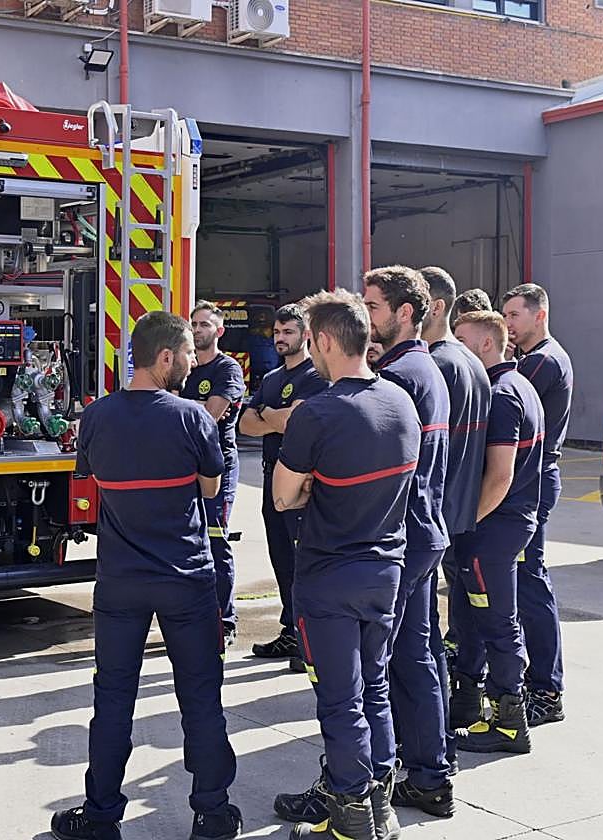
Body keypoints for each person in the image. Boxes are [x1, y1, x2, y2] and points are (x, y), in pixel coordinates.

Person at [51, 310, 241, 840]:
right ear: (164, 358)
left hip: (120, 581)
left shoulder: (97, 417)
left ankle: (101, 814)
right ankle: (212, 812)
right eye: (184, 354)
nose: (188, 363)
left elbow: (87, 480)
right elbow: (208, 490)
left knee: (112, 699)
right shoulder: (192, 418)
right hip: (187, 578)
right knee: (201, 696)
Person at [272, 290, 420, 840]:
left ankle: (352, 816)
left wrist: (313, 485)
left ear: (327, 342)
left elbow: (284, 495)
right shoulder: (401, 401)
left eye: (311, 339)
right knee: (375, 688)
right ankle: (380, 806)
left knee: (340, 701)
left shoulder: (317, 412)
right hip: (386, 569)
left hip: (329, 576)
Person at [362, 266, 453, 818]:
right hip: (424, 532)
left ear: (404, 313)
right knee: (415, 658)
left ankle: (366, 785)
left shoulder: (398, 376)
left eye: (372, 307)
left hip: (398, 539)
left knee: (375, 666)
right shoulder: (426, 368)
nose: (365, 318)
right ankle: (429, 774)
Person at [451, 311, 544, 754]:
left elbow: (501, 474)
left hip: (495, 527)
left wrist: (467, 523)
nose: (454, 349)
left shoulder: (504, 394)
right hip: (497, 526)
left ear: (487, 344)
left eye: (461, 340)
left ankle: (510, 721)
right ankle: (469, 700)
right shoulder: (517, 384)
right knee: (473, 617)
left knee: (498, 622)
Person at [419, 266, 491, 783]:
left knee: (423, 633)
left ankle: (433, 734)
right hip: (461, 511)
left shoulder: (437, 365)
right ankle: (462, 700)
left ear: (435, 307)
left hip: (434, 511)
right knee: (459, 614)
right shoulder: (472, 361)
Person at [241, 303, 327, 662]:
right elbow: (244, 424)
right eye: (277, 332)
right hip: (269, 479)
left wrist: (269, 417)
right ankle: (291, 630)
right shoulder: (272, 379)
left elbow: (298, 424)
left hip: (301, 487)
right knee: (281, 560)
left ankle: (311, 640)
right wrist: (278, 418)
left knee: (303, 562)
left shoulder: (316, 376)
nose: (280, 338)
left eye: (288, 332)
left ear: (305, 335)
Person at [501, 283, 571, 727]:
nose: (508, 323)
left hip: (534, 480)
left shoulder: (540, 362)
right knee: (526, 579)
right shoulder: (537, 357)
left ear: (538, 314)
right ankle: (537, 680)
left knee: (531, 581)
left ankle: (547, 689)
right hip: (534, 478)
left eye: (514, 315)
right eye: (505, 315)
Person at [180, 301, 245, 647]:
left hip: (217, 470)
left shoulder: (228, 369)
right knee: (188, 542)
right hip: (183, 469)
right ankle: (194, 615)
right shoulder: (186, 368)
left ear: (218, 331)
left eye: (204, 324)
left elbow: (210, 417)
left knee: (215, 542)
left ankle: (225, 619)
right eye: (193, 324)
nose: (197, 329)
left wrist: (177, 411)